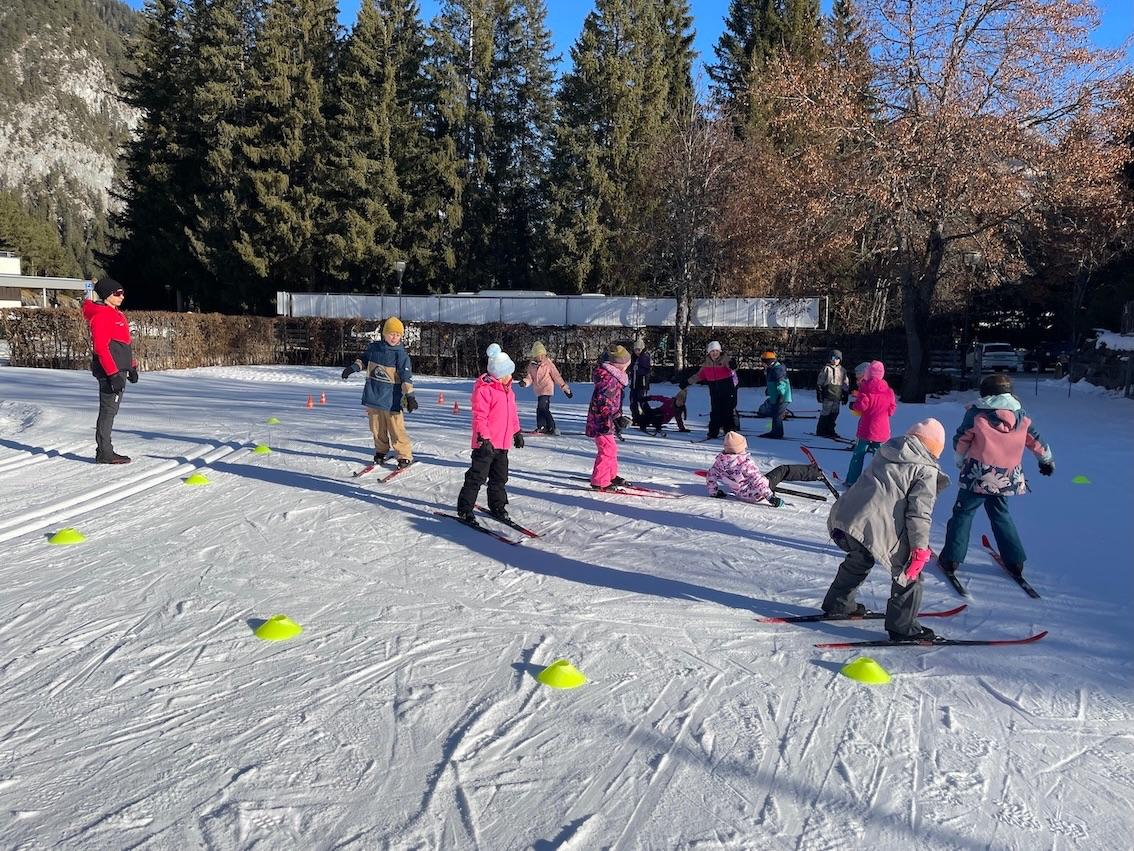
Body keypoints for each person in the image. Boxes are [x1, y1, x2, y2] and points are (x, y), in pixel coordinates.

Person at [821, 419, 951, 641]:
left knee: (860, 557)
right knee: (909, 571)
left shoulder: (887, 451)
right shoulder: (925, 470)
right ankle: (903, 628)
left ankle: (838, 604)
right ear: (934, 448)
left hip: (844, 517)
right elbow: (918, 514)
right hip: (871, 524)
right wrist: (919, 549)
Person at [938, 373, 1054, 579]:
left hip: (978, 474)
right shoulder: (1021, 416)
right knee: (1000, 514)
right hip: (1006, 477)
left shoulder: (976, 413)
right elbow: (1035, 440)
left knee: (963, 513)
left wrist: (959, 459)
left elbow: (962, 438)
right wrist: (1046, 461)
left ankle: (951, 558)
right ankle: (1015, 561)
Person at [457, 350, 523, 526]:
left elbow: (512, 414)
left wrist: (517, 432)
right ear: (498, 374)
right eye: (507, 373)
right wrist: (485, 439)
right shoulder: (485, 389)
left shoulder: (508, 391)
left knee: (499, 478)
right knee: (477, 477)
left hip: (502, 444)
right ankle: (465, 509)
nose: (510, 377)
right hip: (485, 444)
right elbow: (480, 416)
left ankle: (497, 506)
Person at [341, 316, 417, 467]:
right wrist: (352, 368)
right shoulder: (374, 349)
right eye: (391, 334)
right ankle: (381, 451)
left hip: (392, 400)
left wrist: (410, 396)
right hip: (374, 396)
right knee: (377, 428)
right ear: (384, 334)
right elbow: (363, 360)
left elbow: (406, 378)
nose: (394, 337)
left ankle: (404, 455)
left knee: (396, 429)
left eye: (398, 335)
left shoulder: (401, 355)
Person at [82, 277, 138, 464]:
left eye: (122, 292)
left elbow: (124, 343)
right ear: (107, 295)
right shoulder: (102, 315)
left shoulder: (116, 313)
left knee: (111, 410)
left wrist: (132, 366)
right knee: (108, 411)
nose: (122, 296)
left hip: (119, 369)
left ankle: (105, 451)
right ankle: (104, 452)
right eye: (117, 293)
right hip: (110, 372)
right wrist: (113, 374)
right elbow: (101, 348)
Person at [706, 431, 827, 506]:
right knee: (783, 470)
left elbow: (710, 476)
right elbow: (758, 481)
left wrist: (714, 492)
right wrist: (770, 497)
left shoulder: (720, 462)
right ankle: (815, 473)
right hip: (758, 494)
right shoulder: (745, 463)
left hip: (741, 495)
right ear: (740, 448)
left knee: (765, 477)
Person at [587, 345, 633, 489]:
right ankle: (600, 481)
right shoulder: (609, 379)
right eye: (626, 365)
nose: (627, 368)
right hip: (601, 421)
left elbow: (613, 402)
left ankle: (611, 475)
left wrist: (618, 416)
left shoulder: (614, 377)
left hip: (607, 420)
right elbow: (603, 402)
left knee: (611, 448)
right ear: (619, 365)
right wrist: (612, 418)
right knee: (607, 449)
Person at [844, 360, 896, 485]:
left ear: (868, 373)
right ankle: (880, 483)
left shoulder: (865, 388)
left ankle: (852, 481)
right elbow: (891, 410)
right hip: (882, 430)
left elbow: (861, 406)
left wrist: (853, 405)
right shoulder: (889, 391)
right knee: (880, 458)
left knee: (858, 455)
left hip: (866, 430)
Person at [683, 341, 737, 440]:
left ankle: (730, 432)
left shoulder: (724, 359)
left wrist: (732, 365)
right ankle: (713, 432)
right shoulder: (706, 364)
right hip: (714, 390)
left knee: (727, 411)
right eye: (712, 351)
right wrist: (687, 382)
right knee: (715, 411)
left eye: (717, 351)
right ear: (709, 352)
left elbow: (730, 365)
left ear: (720, 351)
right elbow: (699, 375)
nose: (715, 353)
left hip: (727, 389)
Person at [521, 341, 572, 434]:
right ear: (534, 356)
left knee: (543, 407)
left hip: (547, 389)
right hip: (538, 390)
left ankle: (551, 427)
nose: (541, 357)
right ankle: (543, 426)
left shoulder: (548, 364)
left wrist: (564, 387)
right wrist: (525, 382)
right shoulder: (531, 366)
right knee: (540, 408)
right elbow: (530, 378)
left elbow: (556, 376)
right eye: (538, 355)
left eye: (542, 355)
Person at [816, 349, 849, 438]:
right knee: (826, 412)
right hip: (828, 394)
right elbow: (820, 381)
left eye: (837, 358)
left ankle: (830, 429)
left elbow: (845, 383)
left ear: (840, 359)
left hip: (837, 395)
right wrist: (819, 392)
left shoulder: (842, 370)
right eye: (833, 358)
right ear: (830, 359)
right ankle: (821, 430)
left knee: (835, 412)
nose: (835, 360)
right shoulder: (826, 369)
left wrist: (845, 394)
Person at [758, 351, 792, 439]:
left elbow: (781, 383)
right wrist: (769, 390)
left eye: (764, 362)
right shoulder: (772, 369)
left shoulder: (777, 369)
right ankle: (775, 431)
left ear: (768, 361)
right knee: (775, 414)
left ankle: (777, 433)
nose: (763, 364)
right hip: (776, 397)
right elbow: (772, 382)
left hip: (781, 397)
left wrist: (781, 395)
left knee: (777, 415)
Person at [628, 338, 652, 425]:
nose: (637, 352)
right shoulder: (634, 357)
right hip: (634, 383)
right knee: (633, 400)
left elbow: (646, 369)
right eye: (635, 350)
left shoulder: (645, 356)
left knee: (642, 400)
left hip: (642, 383)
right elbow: (631, 367)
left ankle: (648, 417)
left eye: (638, 350)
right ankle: (636, 417)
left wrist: (637, 368)